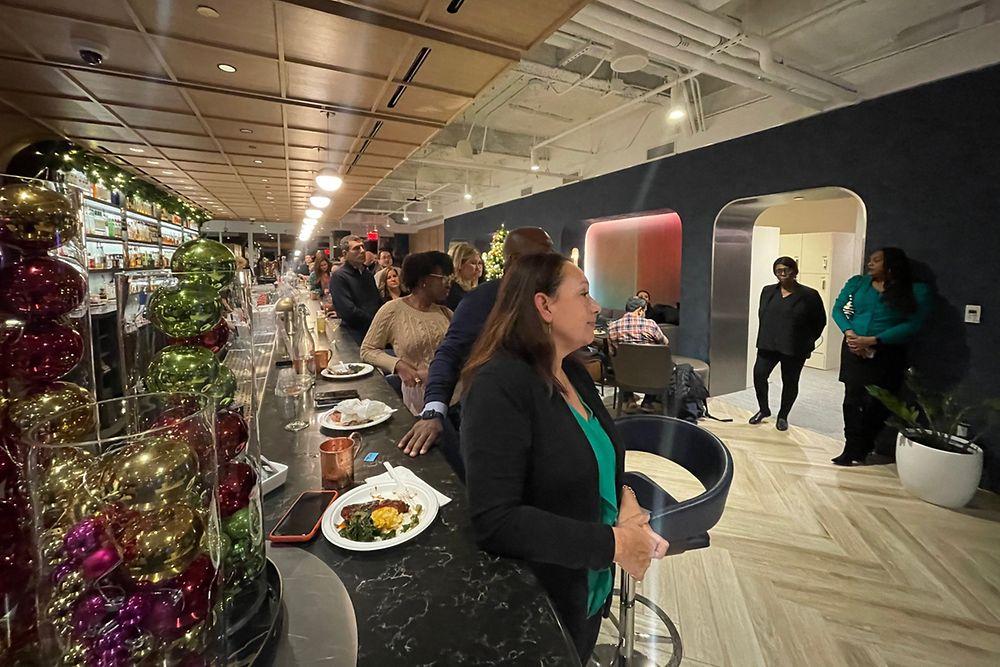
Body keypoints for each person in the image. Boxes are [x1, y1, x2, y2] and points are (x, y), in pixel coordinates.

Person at [461, 253, 668, 661]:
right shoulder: (498, 386)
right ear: (544, 305)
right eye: (584, 294)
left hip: (588, 584)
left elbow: (598, 455)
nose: (595, 307)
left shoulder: (571, 371)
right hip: (543, 599)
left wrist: (624, 501)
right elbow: (495, 520)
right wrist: (613, 543)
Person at [397, 227, 554, 457]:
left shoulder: (554, 297)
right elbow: (449, 354)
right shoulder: (482, 300)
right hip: (498, 421)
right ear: (515, 260)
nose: (551, 264)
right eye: (543, 257)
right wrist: (433, 411)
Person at [831, 247, 931, 466]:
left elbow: (913, 324)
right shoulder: (857, 283)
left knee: (879, 402)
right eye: (870, 260)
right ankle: (850, 447)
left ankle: (864, 446)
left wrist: (874, 340)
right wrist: (850, 334)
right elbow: (838, 309)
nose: (870, 264)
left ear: (891, 264)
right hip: (853, 346)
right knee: (851, 400)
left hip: (887, 351)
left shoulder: (916, 290)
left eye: (876, 260)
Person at [361, 252, 453, 415]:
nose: (448, 283)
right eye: (443, 277)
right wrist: (398, 365)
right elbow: (368, 350)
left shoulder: (446, 313)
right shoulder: (392, 310)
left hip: (454, 398)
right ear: (424, 280)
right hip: (419, 401)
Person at [749, 257, 827, 431]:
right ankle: (764, 409)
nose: (782, 273)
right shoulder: (768, 291)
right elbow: (763, 314)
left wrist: (806, 340)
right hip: (768, 343)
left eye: (786, 270)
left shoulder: (809, 295)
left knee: (790, 381)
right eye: (778, 270)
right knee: (759, 375)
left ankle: (783, 416)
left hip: (794, 347)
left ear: (794, 271)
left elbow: (820, 321)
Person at [607, 296, 669, 413]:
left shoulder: (612, 327)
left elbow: (612, 354)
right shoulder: (650, 324)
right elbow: (665, 344)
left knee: (624, 364)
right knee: (658, 363)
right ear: (640, 310)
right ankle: (648, 401)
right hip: (651, 375)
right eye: (644, 311)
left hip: (624, 376)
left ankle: (629, 399)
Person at [329, 235, 382, 344]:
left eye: (363, 247)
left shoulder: (367, 274)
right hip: (353, 335)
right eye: (357, 248)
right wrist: (375, 322)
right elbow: (348, 311)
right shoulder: (339, 276)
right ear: (345, 254)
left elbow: (376, 300)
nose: (362, 251)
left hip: (373, 331)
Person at [446, 242, 482, 311]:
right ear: (459, 264)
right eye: (473, 263)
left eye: (480, 263)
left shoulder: (477, 289)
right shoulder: (452, 291)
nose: (478, 268)